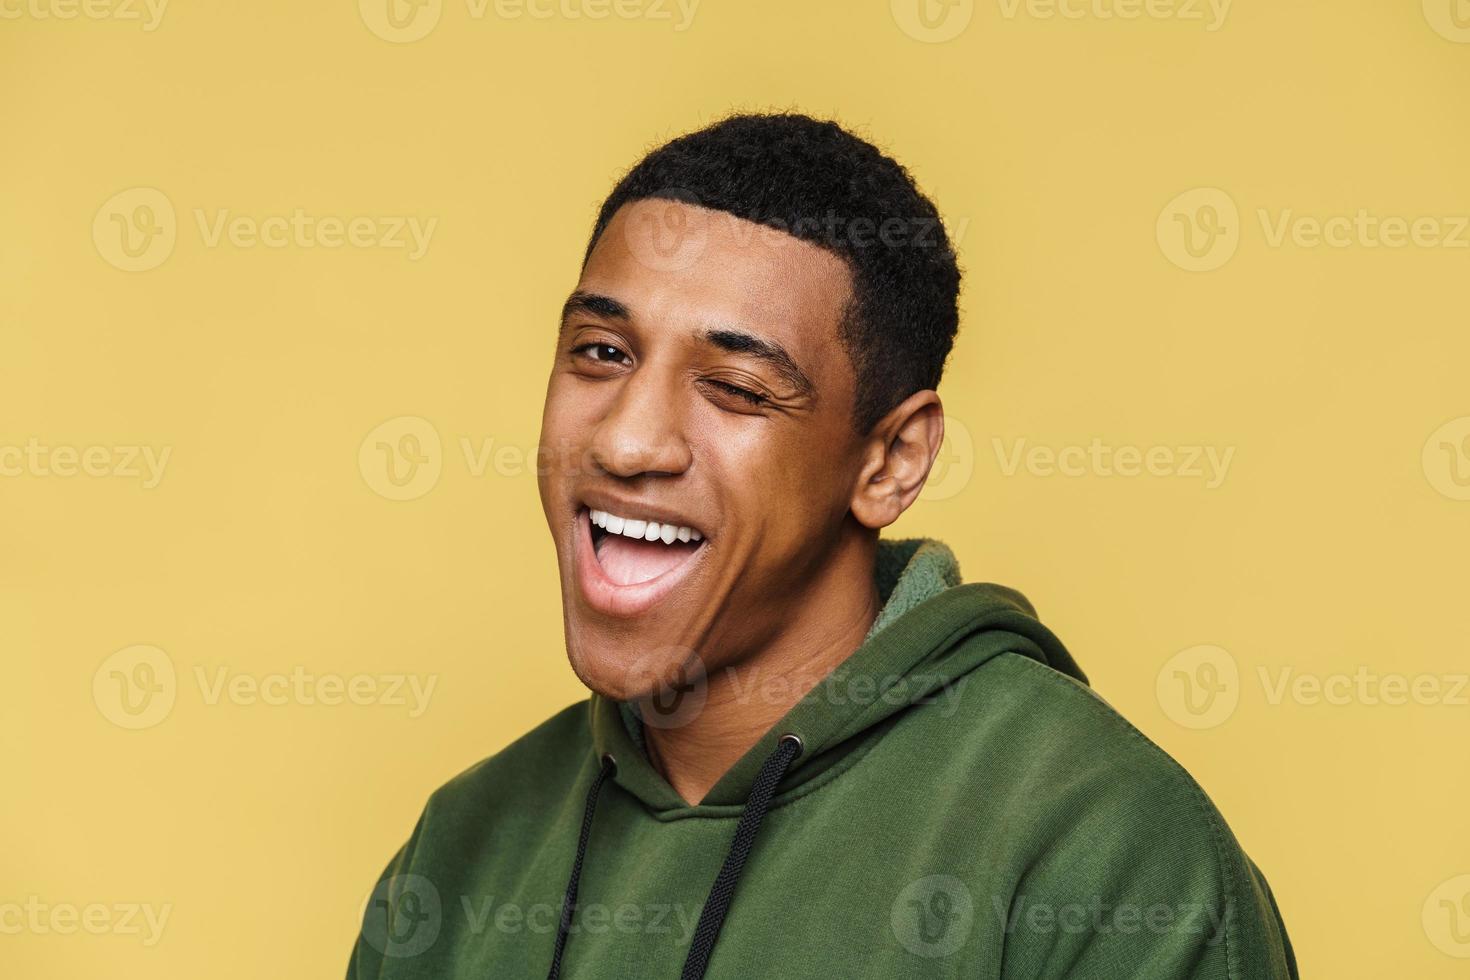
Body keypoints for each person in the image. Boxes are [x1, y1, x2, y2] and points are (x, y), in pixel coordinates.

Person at [346, 112, 1297, 979]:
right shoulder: (460, 845)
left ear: (890, 460)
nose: (626, 441)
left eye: (738, 389)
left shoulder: (1107, 851)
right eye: (602, 353)